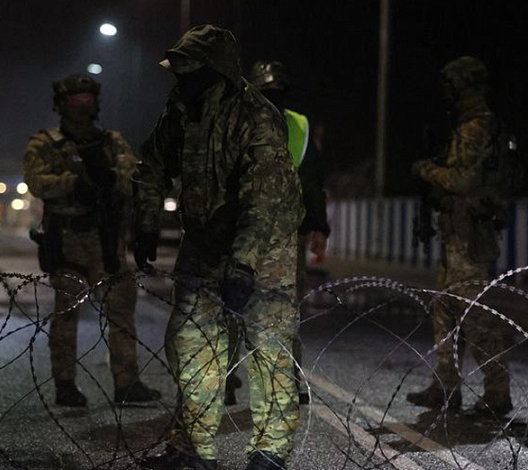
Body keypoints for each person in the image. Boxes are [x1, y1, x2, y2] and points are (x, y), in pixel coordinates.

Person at [133, 25, 304, 470]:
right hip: (205, 240)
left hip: (264, 245)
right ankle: (194, 450)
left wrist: (243, 264)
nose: (180, 79)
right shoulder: (181, 111)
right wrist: (145, 220)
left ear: (215, 71)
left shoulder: (256, 117)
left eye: (189, 70)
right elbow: (151, 163)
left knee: (268, 346)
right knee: (190, 340)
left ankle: (269, 452)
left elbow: (263, 199)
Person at [22, 73, 161, 407]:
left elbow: (135, 177)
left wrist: (110, 177)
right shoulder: (46, 143)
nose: (82, 105)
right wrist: (74, 184)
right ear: (61, 104)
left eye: (87, 98)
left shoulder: (111, 142)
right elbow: (36, 181)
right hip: (67, 239)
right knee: (67, 314)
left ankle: (126, 382)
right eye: (75, 99)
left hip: (106, 238)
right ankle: (65, 384)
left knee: (121, 310)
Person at [222, 60, 331, 406]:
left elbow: (311, 180)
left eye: (278, 92)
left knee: (284, 310)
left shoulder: (297, 125)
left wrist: (319, 225)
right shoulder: (235, 123)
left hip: (286, 233)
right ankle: (225, 378)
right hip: (242, 231)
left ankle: (286, 378)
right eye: (267, 92)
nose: (274, 97)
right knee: (232, 304)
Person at [408, 56, 512, 416]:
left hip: (470, 237)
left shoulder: (476, 127)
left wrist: (426, 170)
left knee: (475, 316)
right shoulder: (467, 125)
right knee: (444, 311)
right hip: (456, 234)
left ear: (464, 86)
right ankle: (446, 385)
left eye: (452, 85)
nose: (447, 93)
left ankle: (497, 391)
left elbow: (464, 181)